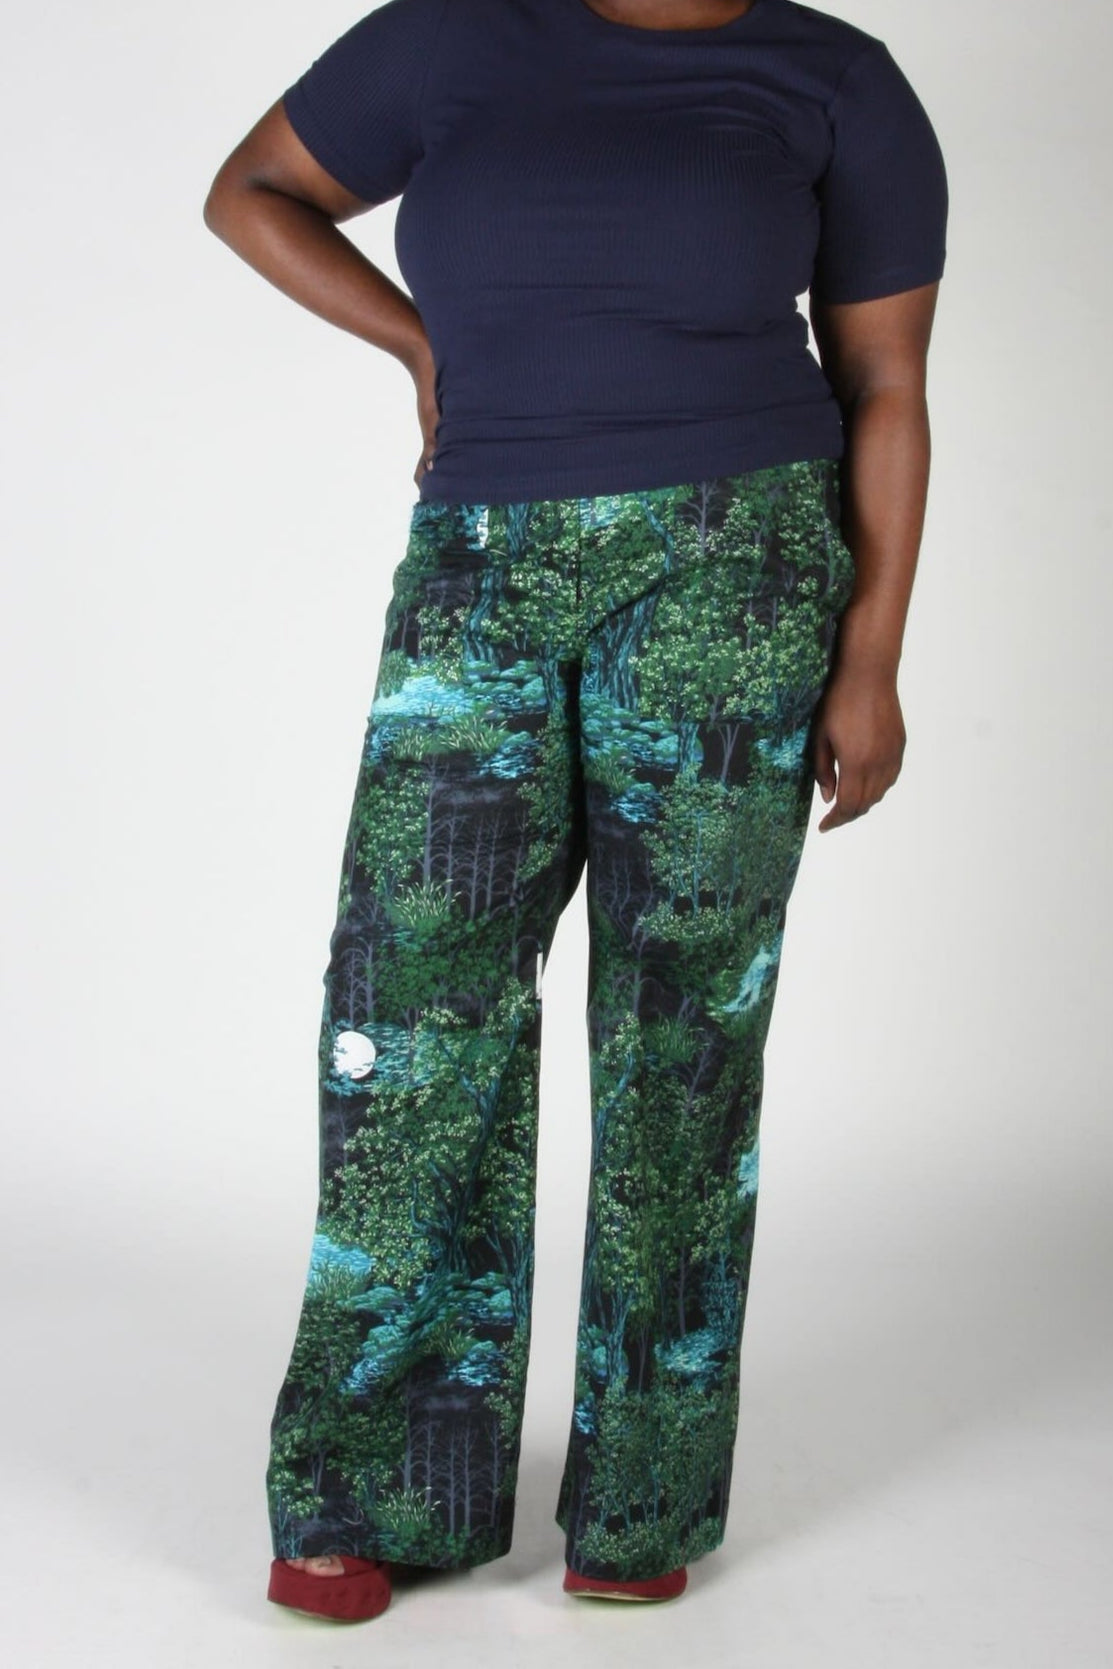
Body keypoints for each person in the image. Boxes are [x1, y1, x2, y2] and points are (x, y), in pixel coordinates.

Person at [203, 0, 948, 1621]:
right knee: (412, 1014)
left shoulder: (832, 77)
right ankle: (378, 1483)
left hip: (737, 571)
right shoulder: (444, 39)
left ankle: (641, 1494)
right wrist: (421, 345)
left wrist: (870, 655)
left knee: (682, 1033)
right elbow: (250, 191)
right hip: (479, 566)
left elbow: (885, 378)